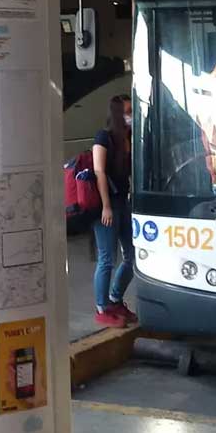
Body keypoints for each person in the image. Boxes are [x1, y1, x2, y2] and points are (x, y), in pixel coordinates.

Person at [91, 94, 138, 329]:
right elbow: (99, 172)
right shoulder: (104, 138)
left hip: (124, 203)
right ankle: (101, 308)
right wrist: (106, 206)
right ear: (118, 114)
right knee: (107, 258)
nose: (131, 115)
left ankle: (115, 299)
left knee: (132, 255)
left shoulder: (128, 138)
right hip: (105, 206)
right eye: (128, 111)